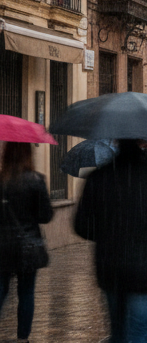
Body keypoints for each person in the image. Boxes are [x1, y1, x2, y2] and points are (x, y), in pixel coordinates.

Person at [75, 139, 147, 343]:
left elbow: (81, 226)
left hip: (111, 269)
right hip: (146, 270)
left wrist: (109, 233)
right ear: (142, 141)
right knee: (139, 333)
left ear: (117, 141)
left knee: (118, 333)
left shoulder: (100, 177)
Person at [0, 142, 54, 343]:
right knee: (26, 292)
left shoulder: (1, 181)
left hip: (2, 245)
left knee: (1, 289)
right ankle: (23, 338)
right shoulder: (36, 180)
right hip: (28, 246)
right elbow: (45, 216)